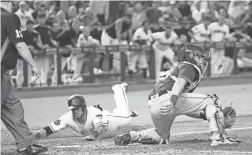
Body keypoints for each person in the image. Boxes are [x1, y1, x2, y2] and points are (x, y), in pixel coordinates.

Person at [114, 43, 241, 147]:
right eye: (200, 57)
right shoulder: (190, 66)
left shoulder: (181, 67)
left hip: (154, 105)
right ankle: (218, 137)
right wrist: (172, 101)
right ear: (191, 56)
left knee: (160, 137)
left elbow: (185, 107)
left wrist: (206, 114)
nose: (203, 60)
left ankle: (132, 136)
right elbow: (179, 83)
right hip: (168, 99)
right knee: (212, 100)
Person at [1, 1, 47, 154]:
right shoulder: (9, 17)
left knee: (13, 108)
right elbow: (20, 45)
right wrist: (33, 65)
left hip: (4, 75)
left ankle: (26, 143)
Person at [35, 83, 138, 141]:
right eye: (73, 109)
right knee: (121, 115)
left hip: (110, 121)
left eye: (77, 108)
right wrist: (33, 137)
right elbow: (49, 129)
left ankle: (119, 89)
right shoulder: (68, 118)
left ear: (84, 108)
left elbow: (99, 127)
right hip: (105, 127)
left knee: (127, 119)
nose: (75, 111)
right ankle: (119, 111)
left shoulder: (93, 112)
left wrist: (92, 136)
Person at [100, 7, 133, 72]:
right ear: (125, 17)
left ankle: (116, 68)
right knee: (104, 51)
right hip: (107, 35)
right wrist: (120, 42)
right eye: (128, 18)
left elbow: (129, 32)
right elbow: (118, 32)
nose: (129, 19)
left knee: (118, 51)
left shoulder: (130, 22)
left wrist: (132, 41)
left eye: (130, 18)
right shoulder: (119, 21)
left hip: (114, 37)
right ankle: (100, 69)